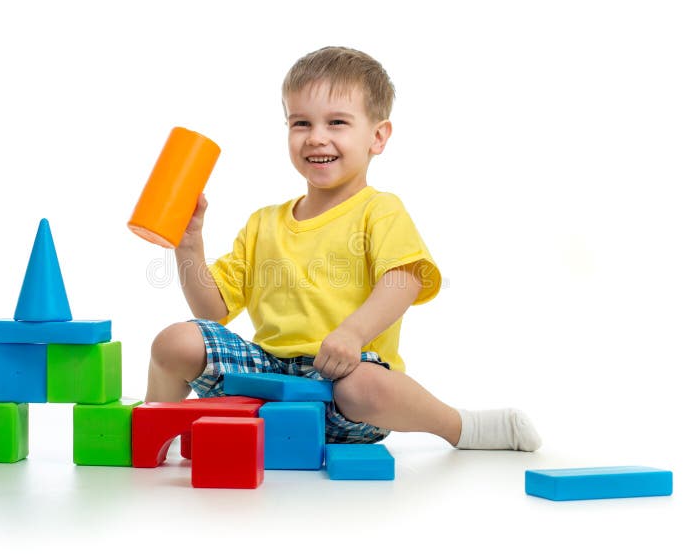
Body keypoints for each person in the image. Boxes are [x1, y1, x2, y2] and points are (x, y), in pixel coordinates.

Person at [145, 46, 541, 451]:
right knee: (174, 341)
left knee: (365, 385)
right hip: (264, 382)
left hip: (342, 387)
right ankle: (155, 430)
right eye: (301, 123)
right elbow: (212, 312)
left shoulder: (379, 210)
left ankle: (461, 428)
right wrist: (189, 246)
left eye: (337, 122)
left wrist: (353, 334)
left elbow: (403, 280)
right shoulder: (264, 222)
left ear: (378, 136)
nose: (316, 137)